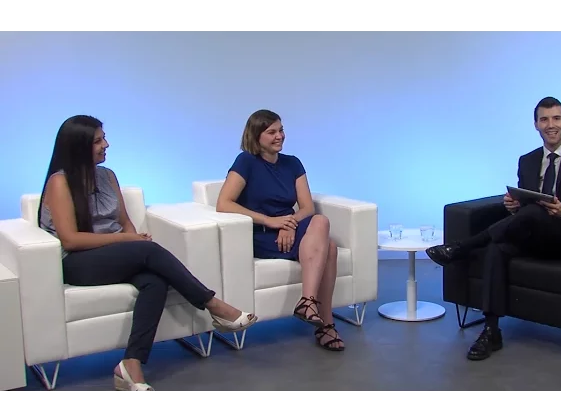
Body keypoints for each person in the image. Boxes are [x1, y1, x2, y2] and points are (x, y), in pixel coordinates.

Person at [38, 115, 258, 391]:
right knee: (148, 250)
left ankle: (130, 365)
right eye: (97, 141)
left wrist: (131, 239)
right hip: (78, 262)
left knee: (155, 281)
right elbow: (70, 240)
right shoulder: (60, 182)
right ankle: (213, 304)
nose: (106, 144)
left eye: (104, 138)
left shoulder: (107, 176)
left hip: (114, 253)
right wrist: (129, 241)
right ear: (78, 147)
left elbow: (123, 221)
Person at [427, 97, 561, 361]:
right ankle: (491, 331)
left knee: (534, 211)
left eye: (556, 118)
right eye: (544, 119)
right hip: (530, 232)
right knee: (497, 247)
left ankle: (462, 247)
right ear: (536, 125)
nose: (551, 125)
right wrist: (513, 206)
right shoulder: (527, 160)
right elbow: (525, 207)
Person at [216, 109, 344, 351]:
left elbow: (307, 207)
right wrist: (270, 221)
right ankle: (326, 325)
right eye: (272, 132)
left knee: (321, 223)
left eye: (281, 130)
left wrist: (289, 223)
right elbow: (224, 203)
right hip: (262, 233)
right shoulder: (246, 161)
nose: (280, 136)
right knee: (329, 247)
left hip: (289, 228)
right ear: (256, 136)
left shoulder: (292, 163)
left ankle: (307, 302)